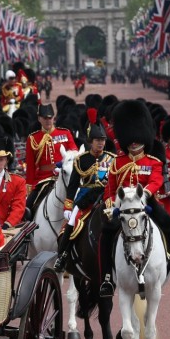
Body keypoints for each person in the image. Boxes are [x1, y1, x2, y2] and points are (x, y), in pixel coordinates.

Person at [98, 99, 170, 297]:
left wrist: (145, 194)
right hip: (123, 205)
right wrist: (110, 203)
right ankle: (107, 278)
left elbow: (156, 180)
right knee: (106, 234)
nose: (134, 141)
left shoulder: (152, 161)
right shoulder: (118, 162)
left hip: (147, 203)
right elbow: (110, 187)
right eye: (131, 138)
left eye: (137, 138)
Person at [54, 116, 114, 272]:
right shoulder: (81, 160)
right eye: (97, 140)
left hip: (107, 197)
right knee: (73, 223)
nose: (100, 143)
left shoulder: (112, 159)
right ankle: (63, 254)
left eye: (103, 139)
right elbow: (73, 186)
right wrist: (68, 207)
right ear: (90, 141)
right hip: (85, 199)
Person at [24, 103, 76, 211]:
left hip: (64, 175)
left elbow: (74, 152)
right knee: (28, 207)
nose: (48, 120)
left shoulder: (65, 133)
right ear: (39, 119)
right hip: (43, 179)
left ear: (54, 118)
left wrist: (64, 164)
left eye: (50, 118)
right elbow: (30, 166)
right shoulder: (33, 138)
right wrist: (30, 186)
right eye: (45, 118)